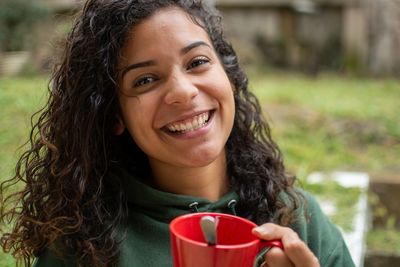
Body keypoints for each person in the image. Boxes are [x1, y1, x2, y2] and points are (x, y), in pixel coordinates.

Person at [0, 0, 355, 266]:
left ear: (227, 75)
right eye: (145, 80)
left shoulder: (301, 222)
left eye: (197, 62)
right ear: (114, 115)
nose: (183, 91)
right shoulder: (84, 247)